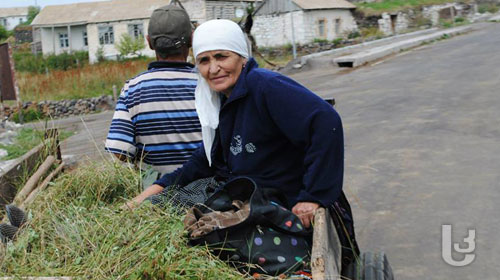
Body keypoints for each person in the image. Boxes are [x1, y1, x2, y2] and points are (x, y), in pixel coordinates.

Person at [105, 5, 202, 182]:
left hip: (155, 198)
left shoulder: (132, 89)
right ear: (191, 39)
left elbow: (119, 151)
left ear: (149, 42)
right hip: (207, 194)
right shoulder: (208, 84)